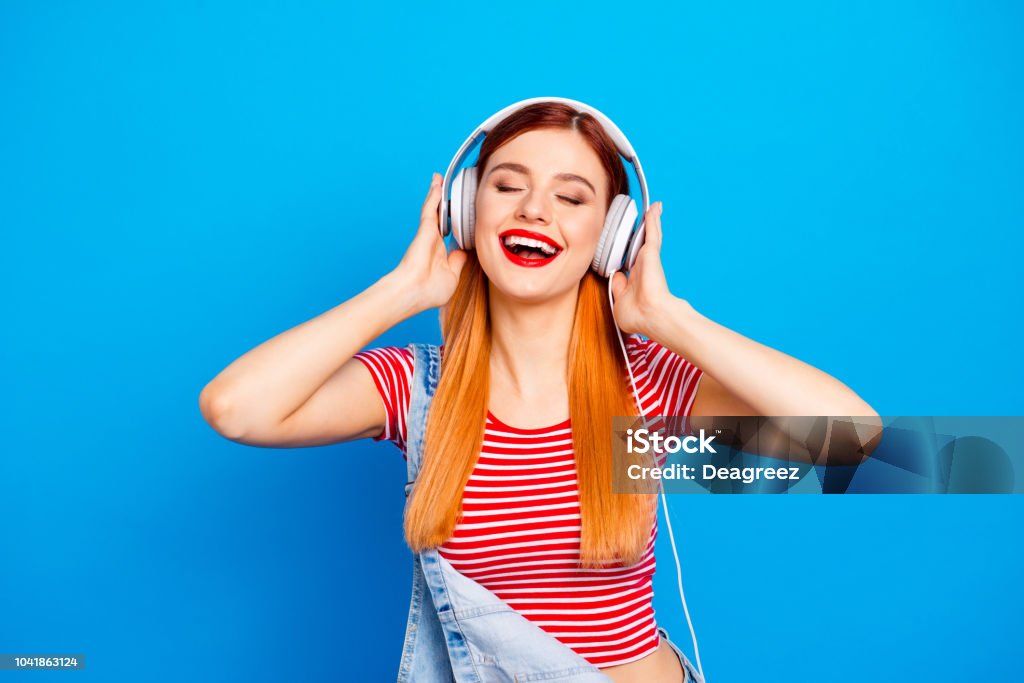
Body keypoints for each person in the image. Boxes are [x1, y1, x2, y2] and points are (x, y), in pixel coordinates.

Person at [199, 100, 879, 682]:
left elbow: (856, 439)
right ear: (466, 211)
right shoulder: (418, 389)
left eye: (571, 196)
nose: (534, 209)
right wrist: (404, 291)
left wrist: (671, 320)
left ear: (611, 236)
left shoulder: (645, 388)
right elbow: (236, 407)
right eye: (507, 185)